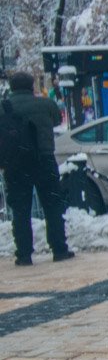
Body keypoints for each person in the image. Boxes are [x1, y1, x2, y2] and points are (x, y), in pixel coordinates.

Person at [3, 71, 73, 266]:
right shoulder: (45, 104)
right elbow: (57, 121)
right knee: (52, 205)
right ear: (32, 86)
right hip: (44, 159)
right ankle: (59, 249)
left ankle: (24, 254)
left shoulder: (4, 107)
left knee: (20, 210)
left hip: (15, 164)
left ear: (12, 87)